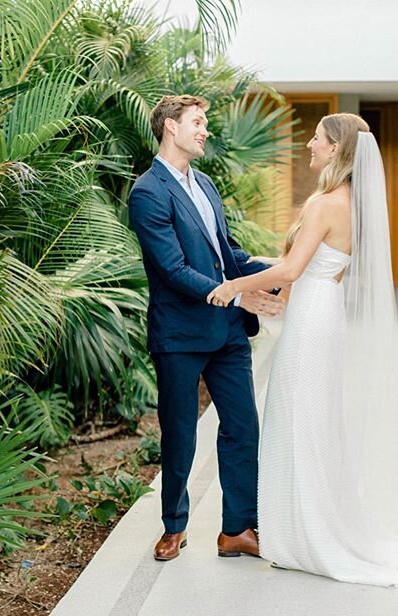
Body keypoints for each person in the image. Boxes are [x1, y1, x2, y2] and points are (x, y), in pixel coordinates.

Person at [207, 113, 398, 586]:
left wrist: (232, 285)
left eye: (317, 139)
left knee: (298, 418)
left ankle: (303, 533)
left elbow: (289, 271)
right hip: (325, 312)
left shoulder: (325, 203)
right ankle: (302, 524)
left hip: (310, 323)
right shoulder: (354, 203)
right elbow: (313, 269)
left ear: (336, 150)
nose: (309, 144)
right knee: (311, 418)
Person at [128, 95, 285, 561]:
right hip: (179, 335)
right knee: (180, 433)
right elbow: (173, 269)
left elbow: (228, 254)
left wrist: (278, 271)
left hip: (229, 332)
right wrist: (239, 292)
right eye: (197, 122)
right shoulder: (147, 192)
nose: (205, 131)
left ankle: (237, 529)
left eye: (205, 123)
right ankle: (173, 526)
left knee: (242, 427)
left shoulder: (208, 186)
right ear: (170, 128)